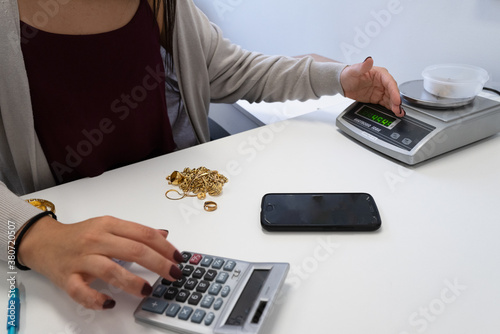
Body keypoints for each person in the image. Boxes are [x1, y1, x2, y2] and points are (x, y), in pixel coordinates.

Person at [0, 0, 405, 310]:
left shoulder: (166, 6)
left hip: (186, 225)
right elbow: (22, 233)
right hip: (64, 248)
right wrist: (30, 236)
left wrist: (336, 78)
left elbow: (238, 70)